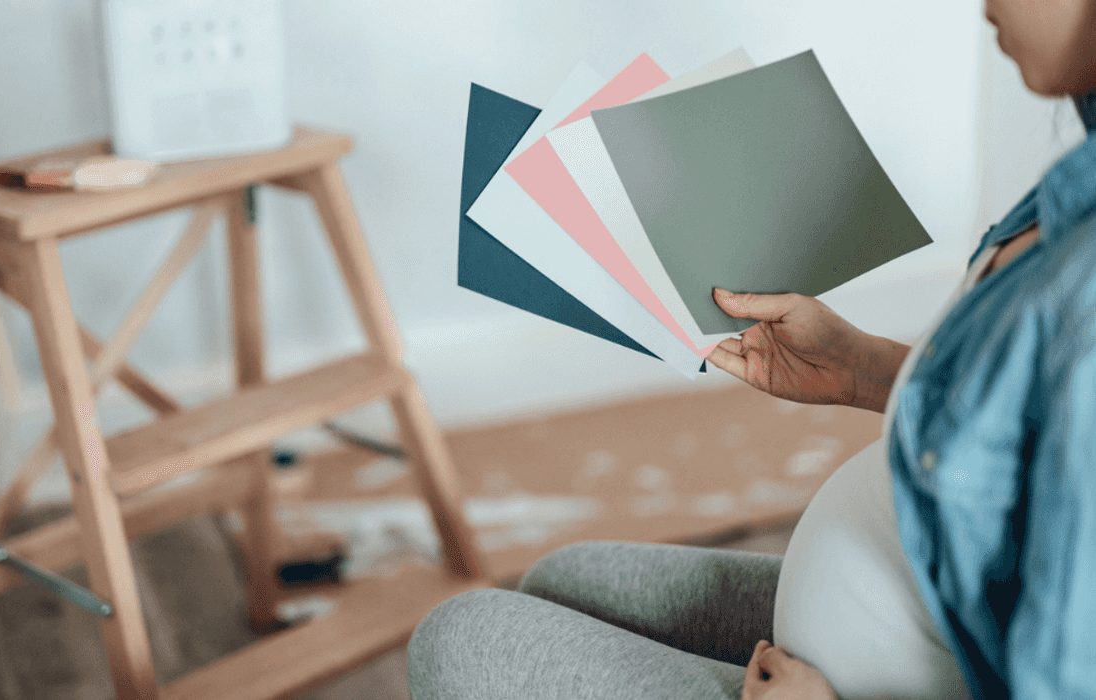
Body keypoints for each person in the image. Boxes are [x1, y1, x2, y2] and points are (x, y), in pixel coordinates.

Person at [407, 0, 1096, 697]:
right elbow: (1030, 427)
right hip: (930, 592)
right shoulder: (1075, 179)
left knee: (463, 639)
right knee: (566, 575)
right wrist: (867, 371)